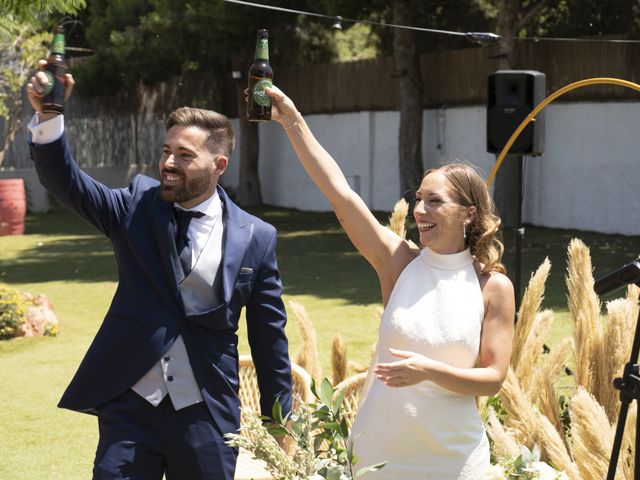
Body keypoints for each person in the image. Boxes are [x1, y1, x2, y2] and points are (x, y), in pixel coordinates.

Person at [26, 62, 292, 480]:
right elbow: (66, 181)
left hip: (206, 409)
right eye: (167, 151)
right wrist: (48, 117)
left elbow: (268, 334)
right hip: (130, 406)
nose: (168, 162)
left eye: (184, 155)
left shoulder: (256, 236)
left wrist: (280, 419)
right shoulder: (135, 204)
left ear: (218, 164)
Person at [263, 85, 515, 479]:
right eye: (418, 199)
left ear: (468, 213)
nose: (419, 210)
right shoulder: (397, 262)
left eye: (434, 201)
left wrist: (429, 371)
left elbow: (493, 379)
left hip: (453, 462)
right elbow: (339, 193)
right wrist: (292, 122)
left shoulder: (493, 288)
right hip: (377, 458)